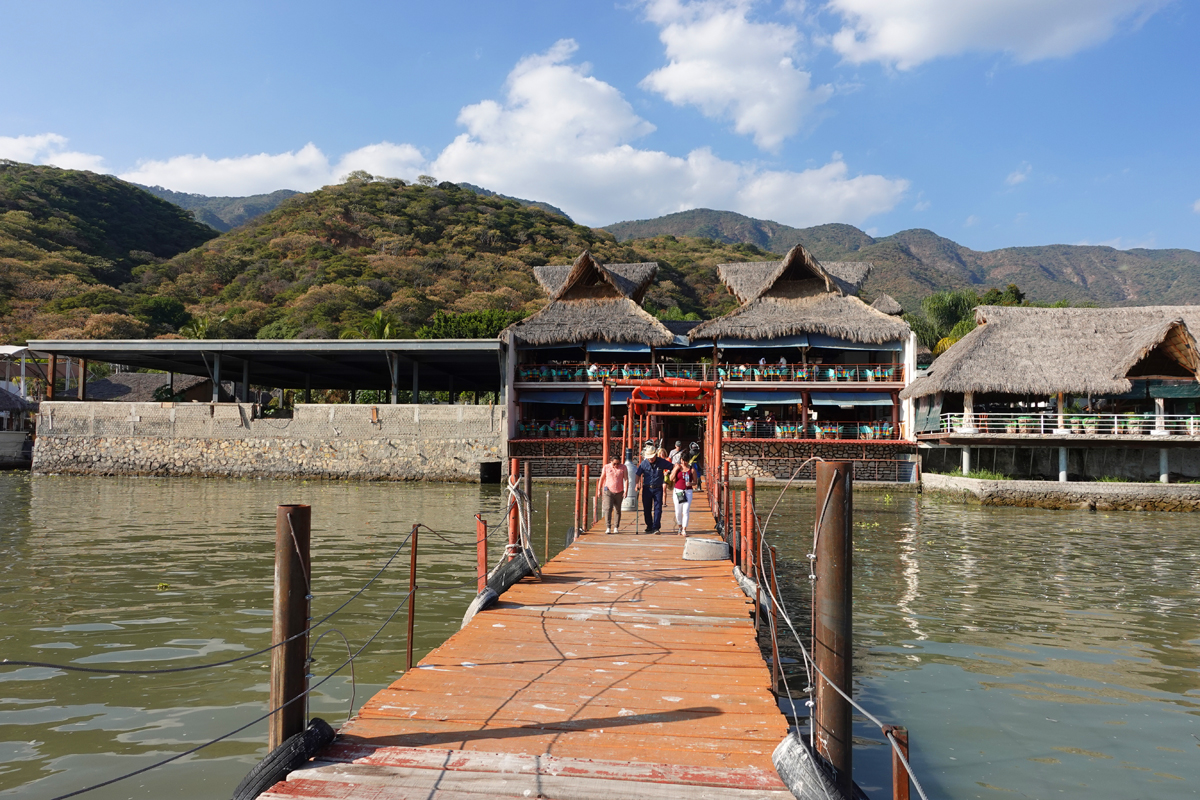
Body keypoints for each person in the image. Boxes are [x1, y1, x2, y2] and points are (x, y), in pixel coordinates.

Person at [634, 447, 673, 534]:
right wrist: (637, 484)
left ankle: (656, 527)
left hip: (658, 488)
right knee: (647, 508)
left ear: (655, 454)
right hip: (647, 488)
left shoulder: (661, 461)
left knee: (658, 508)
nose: (651, 459)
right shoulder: (644, 463)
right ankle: (649, 526)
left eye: (652, 456)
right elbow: (637, 474)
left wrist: (669, 474)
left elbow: (672, 466)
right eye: (649, 457)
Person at [596, 452, 628, 533]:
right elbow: (602, 478)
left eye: (618, 463)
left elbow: (626, 479)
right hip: (608, 490)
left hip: (619, 491)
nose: (616, 465)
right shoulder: (606, 467)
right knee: (608, 508)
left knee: (618, 509)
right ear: (611, 461)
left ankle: (616, 527)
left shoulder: (623, 467)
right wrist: (599, 490)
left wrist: (626, 490)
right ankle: (608, 527)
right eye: (614, 463)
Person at [669, 457, 696, 536]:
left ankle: (684, 529)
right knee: (678, 511)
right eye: (683, 461)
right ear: (680, 460)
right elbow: (671, 478)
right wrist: (676, 469)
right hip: (678, 491)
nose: (684, 463)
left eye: (686, 461)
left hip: (688, 491)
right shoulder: (677, 467)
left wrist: (691, 484)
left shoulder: (692, 469)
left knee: (686, 511)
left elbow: (695, 482)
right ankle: (680, 527)